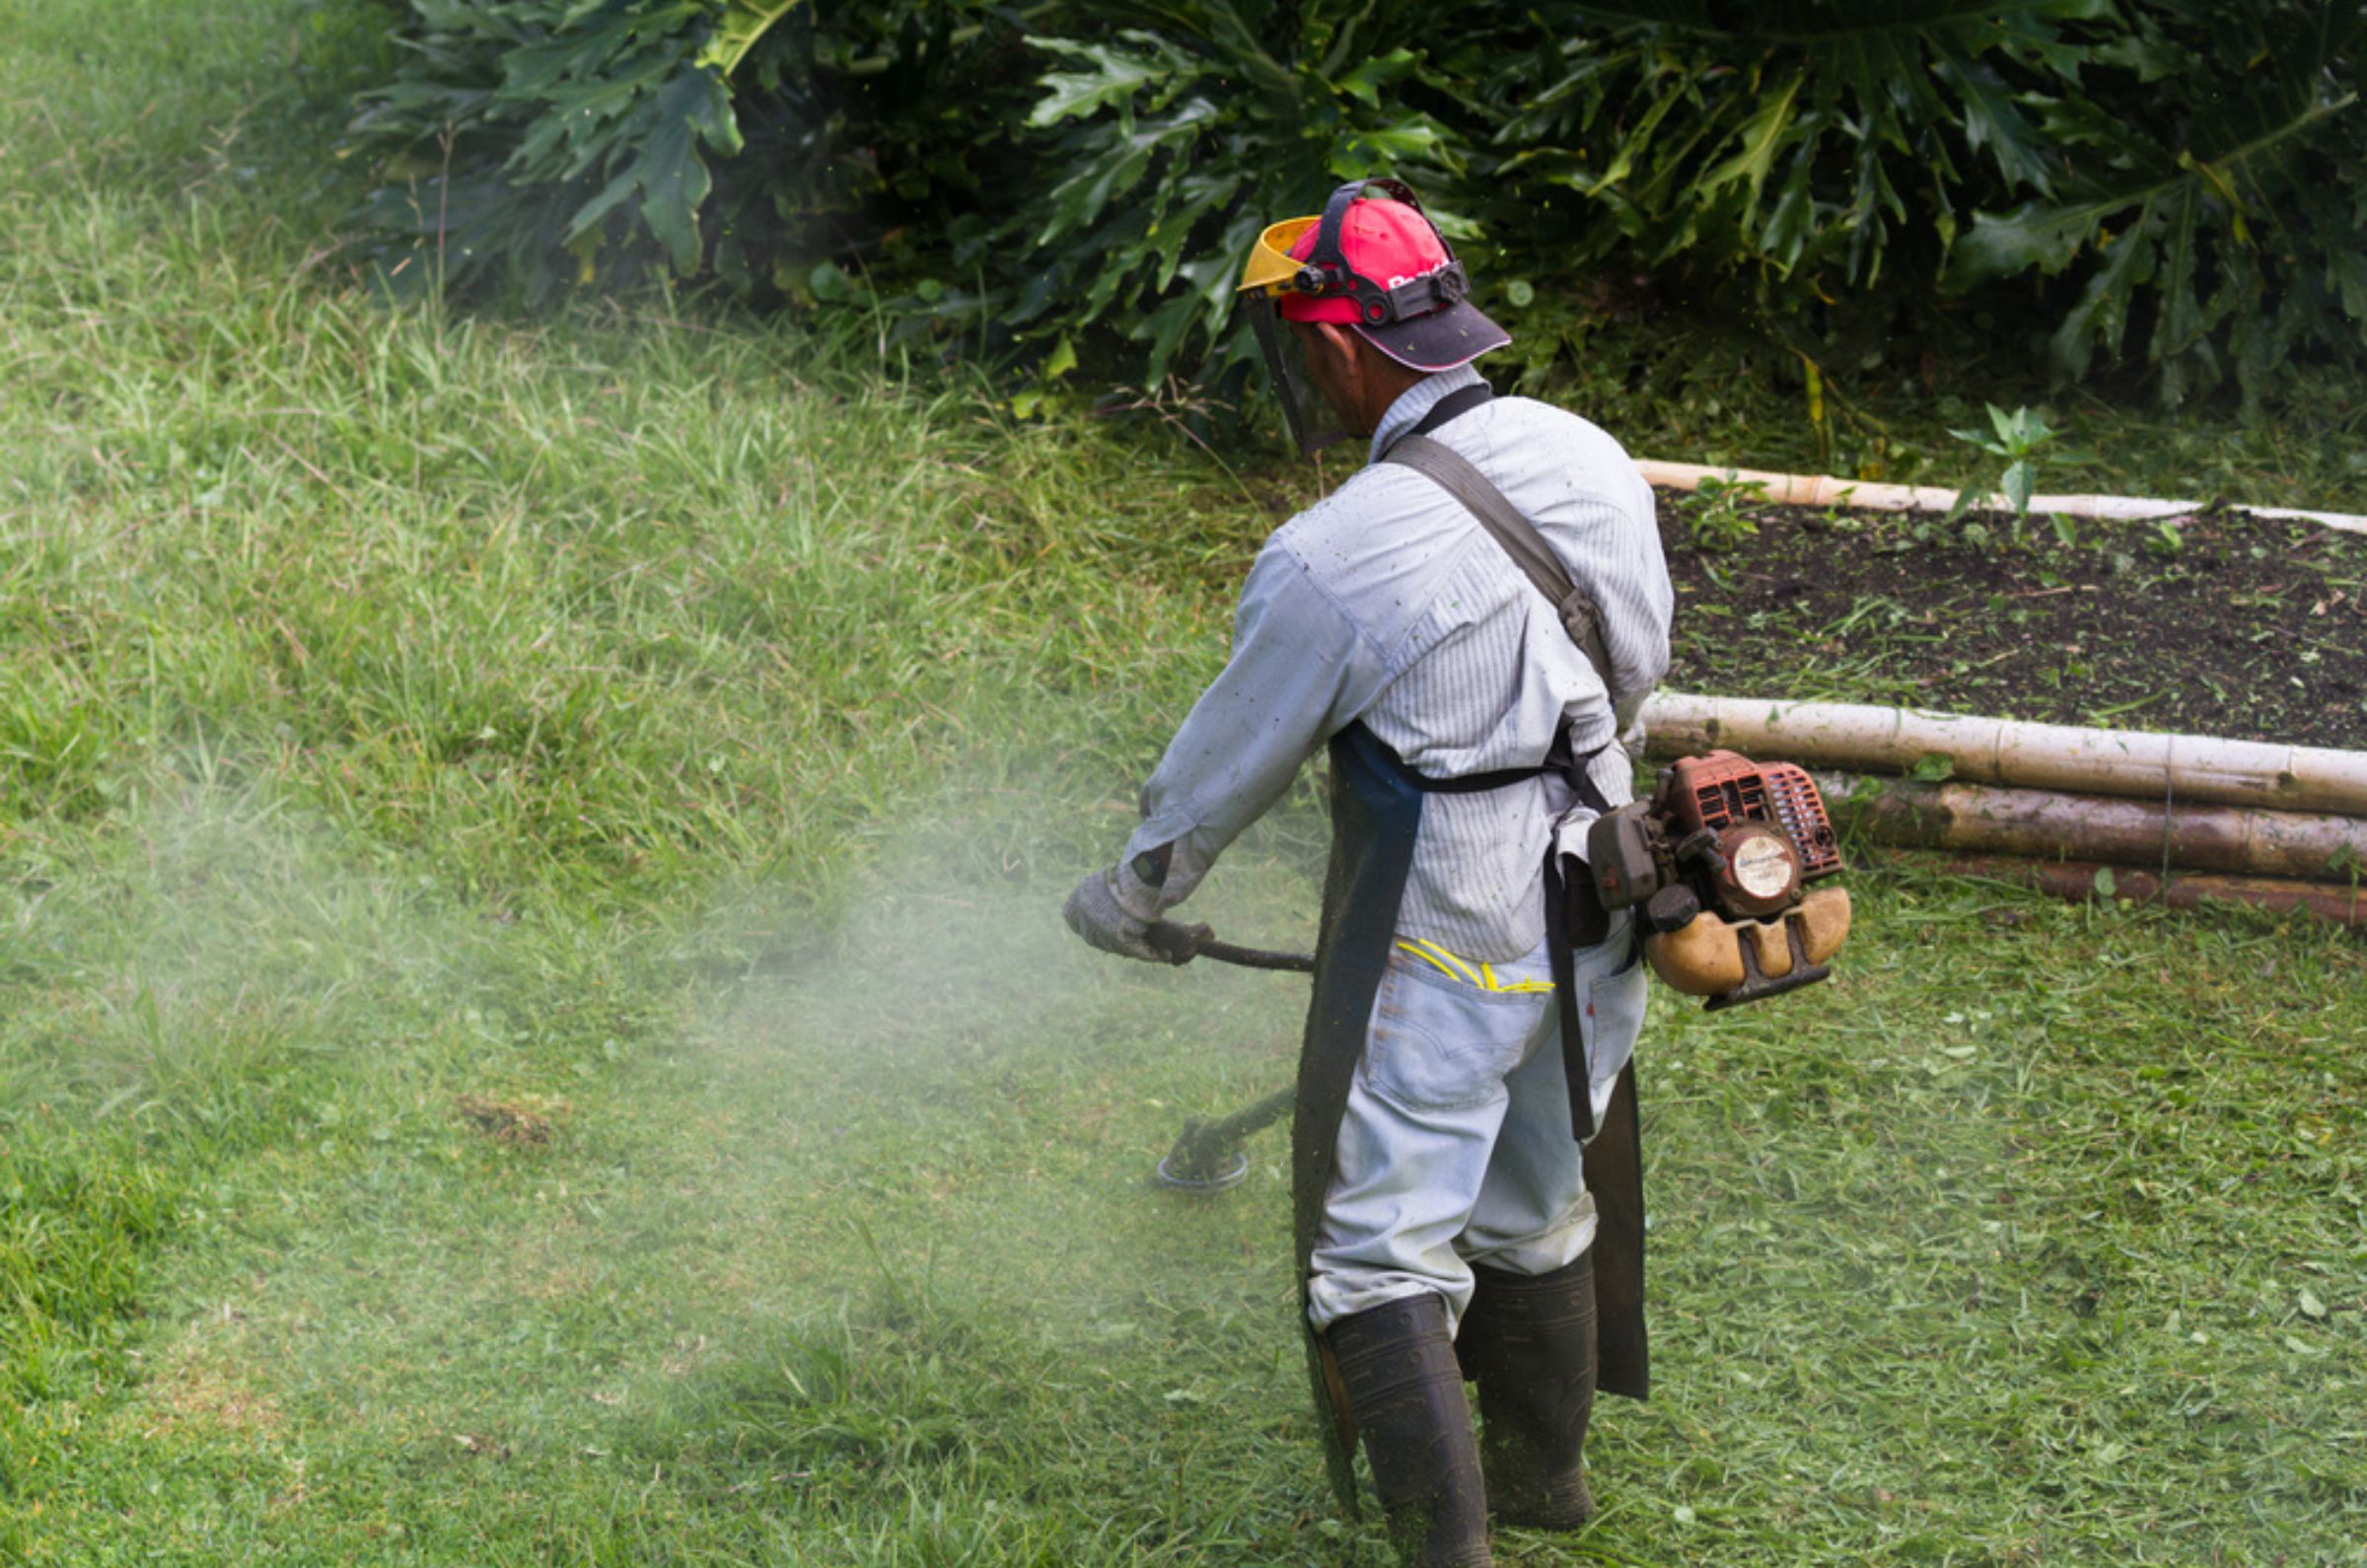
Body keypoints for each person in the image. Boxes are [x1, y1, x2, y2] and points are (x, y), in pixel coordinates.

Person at [1064, 178, 1674, 1568]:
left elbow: (1226, 761)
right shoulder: (1593, 458)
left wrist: (1136, 891)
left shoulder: (1334, 556)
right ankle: (1545, 1475)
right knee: (1533, 1185)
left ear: (1339, 349)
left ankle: (1447, 1552)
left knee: (1377, 1251)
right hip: (1607, 880)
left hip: (1454, 913)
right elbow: (1637, 664)